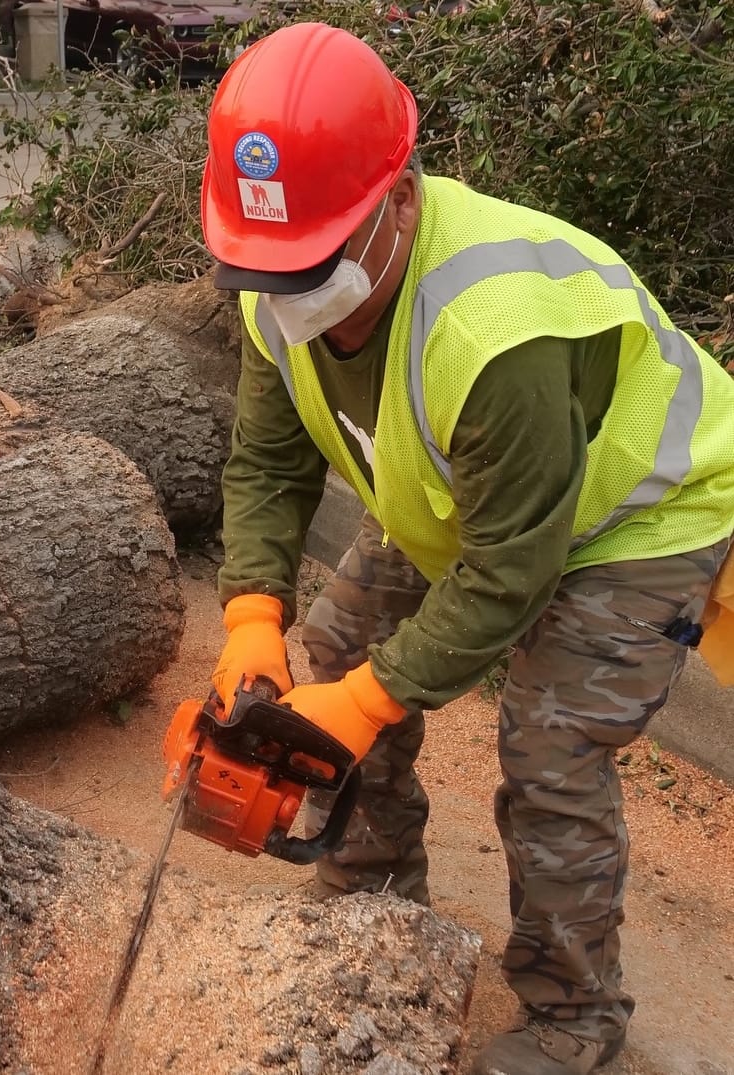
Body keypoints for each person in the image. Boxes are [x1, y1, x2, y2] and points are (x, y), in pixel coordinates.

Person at [197, 22, 734, 1075]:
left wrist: (365, 701)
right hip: (477, 502)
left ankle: (575, 1015)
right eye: (272, 266)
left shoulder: (496, 329)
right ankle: (372, 887)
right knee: (337, 630)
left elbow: (512, 573)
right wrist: (252, 613)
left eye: (317, 261)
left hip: (639, 514)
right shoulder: (276, 287)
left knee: (550, 745)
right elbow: (267, 463)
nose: (293, 290)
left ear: (399, 198)